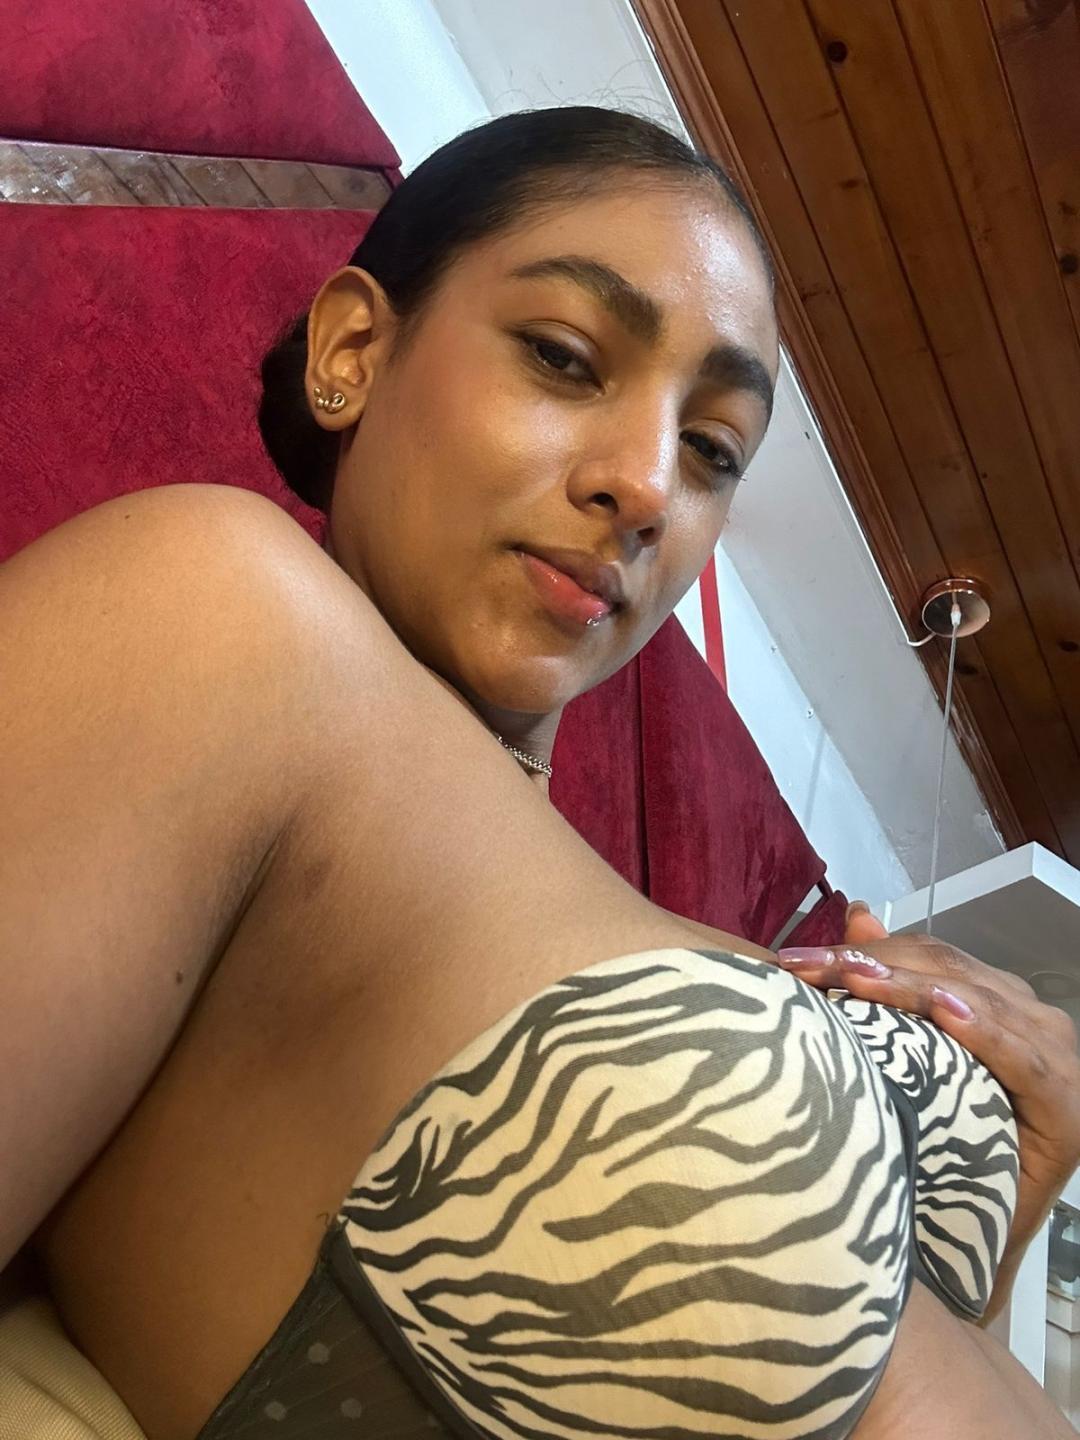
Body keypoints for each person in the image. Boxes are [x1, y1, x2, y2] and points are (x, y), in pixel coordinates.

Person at [1, 107, 1077, 1440]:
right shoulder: (219, 609)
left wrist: (1007, 1204)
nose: (649, 486)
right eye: (566, 358)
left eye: (713, 449)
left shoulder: (627, 927)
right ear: (352, 352)